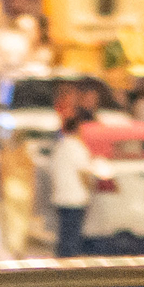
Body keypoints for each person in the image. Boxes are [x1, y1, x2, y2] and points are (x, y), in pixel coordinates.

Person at [50, 110, 93, 258]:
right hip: (75, 199)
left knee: (63, 237)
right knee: (73, 239)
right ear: (78, 129)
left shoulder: (59, 148)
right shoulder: (77, 147)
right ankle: (71, 269)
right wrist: (89, 190)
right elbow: (84, 173)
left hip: (61, 198)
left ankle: (61, 267)